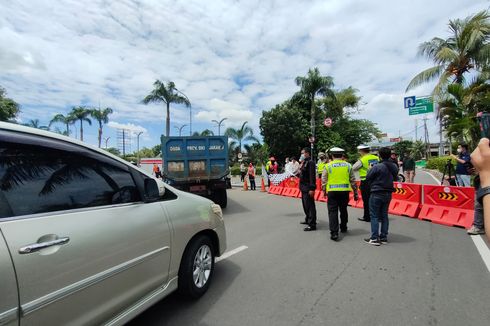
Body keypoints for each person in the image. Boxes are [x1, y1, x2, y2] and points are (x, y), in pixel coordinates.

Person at [364, 147, 399, 246]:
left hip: (377, 192)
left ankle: (374, 238)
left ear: (379, 155)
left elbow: (368, 177)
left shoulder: (377, 166)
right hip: (388, 193)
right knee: (384, 215)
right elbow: (396, 177)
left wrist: (369, 169)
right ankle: (383, 237)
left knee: (374, 215)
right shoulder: (394, 166)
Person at [322, 147, 358, 241]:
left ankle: (334, 233)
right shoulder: (348, 165)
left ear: (332, 155)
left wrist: (324, 191)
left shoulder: (328, 166)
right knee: (343, 209)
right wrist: (355, 192)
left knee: (332, 212)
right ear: (342, 155)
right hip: (344, 191)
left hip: (332, 192)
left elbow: (324, 180)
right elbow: (353, 180)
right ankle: (344, 227)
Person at [352, 145, 379, 222]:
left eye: (359, 151)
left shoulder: (362, 159)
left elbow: (353, 168)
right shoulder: (376, 158)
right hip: (376, 181)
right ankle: (377, 216)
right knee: (375, 199)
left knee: (366, 200)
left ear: (362, 151)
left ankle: (367, 217)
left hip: (366, 182)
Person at [470, 138, 490, 241]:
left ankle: (478, 226)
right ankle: (478, 225)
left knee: (478, 206)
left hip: (484, 182)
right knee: (478, 205)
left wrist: (486, 174)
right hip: (480, 181)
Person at [299, 147, 317, 231]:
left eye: (303, 153)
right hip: (303, 187)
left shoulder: (311, 162)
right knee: (305, 205)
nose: (302, 155)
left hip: (308, 187)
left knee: (310, 206)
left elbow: (312, 176)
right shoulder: (304, 162)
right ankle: (307, 219)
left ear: (307, 153)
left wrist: (312, 188)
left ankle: (312, 224)